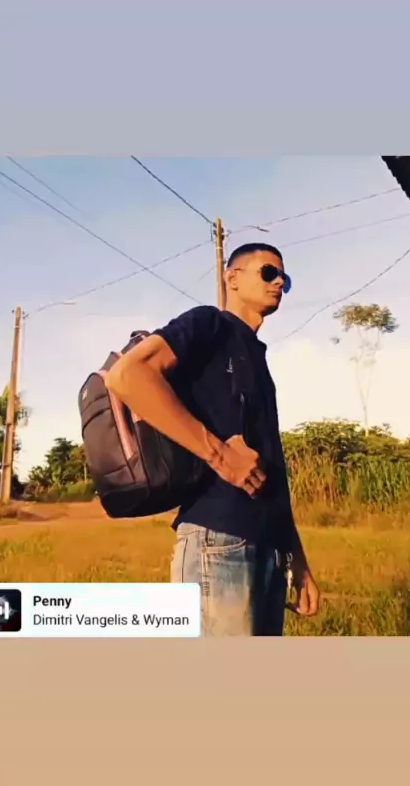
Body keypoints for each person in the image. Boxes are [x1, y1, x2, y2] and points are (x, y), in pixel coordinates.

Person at [105, 242, 320, 635]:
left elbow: (273, 467)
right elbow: (127, 375)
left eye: (284, 279)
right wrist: (219, 454)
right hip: (219, 544)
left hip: (270, 550)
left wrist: (297, 558)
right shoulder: (210, 325)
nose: (279, 283)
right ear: (231, 278)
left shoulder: (257, 357)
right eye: (269, 272)